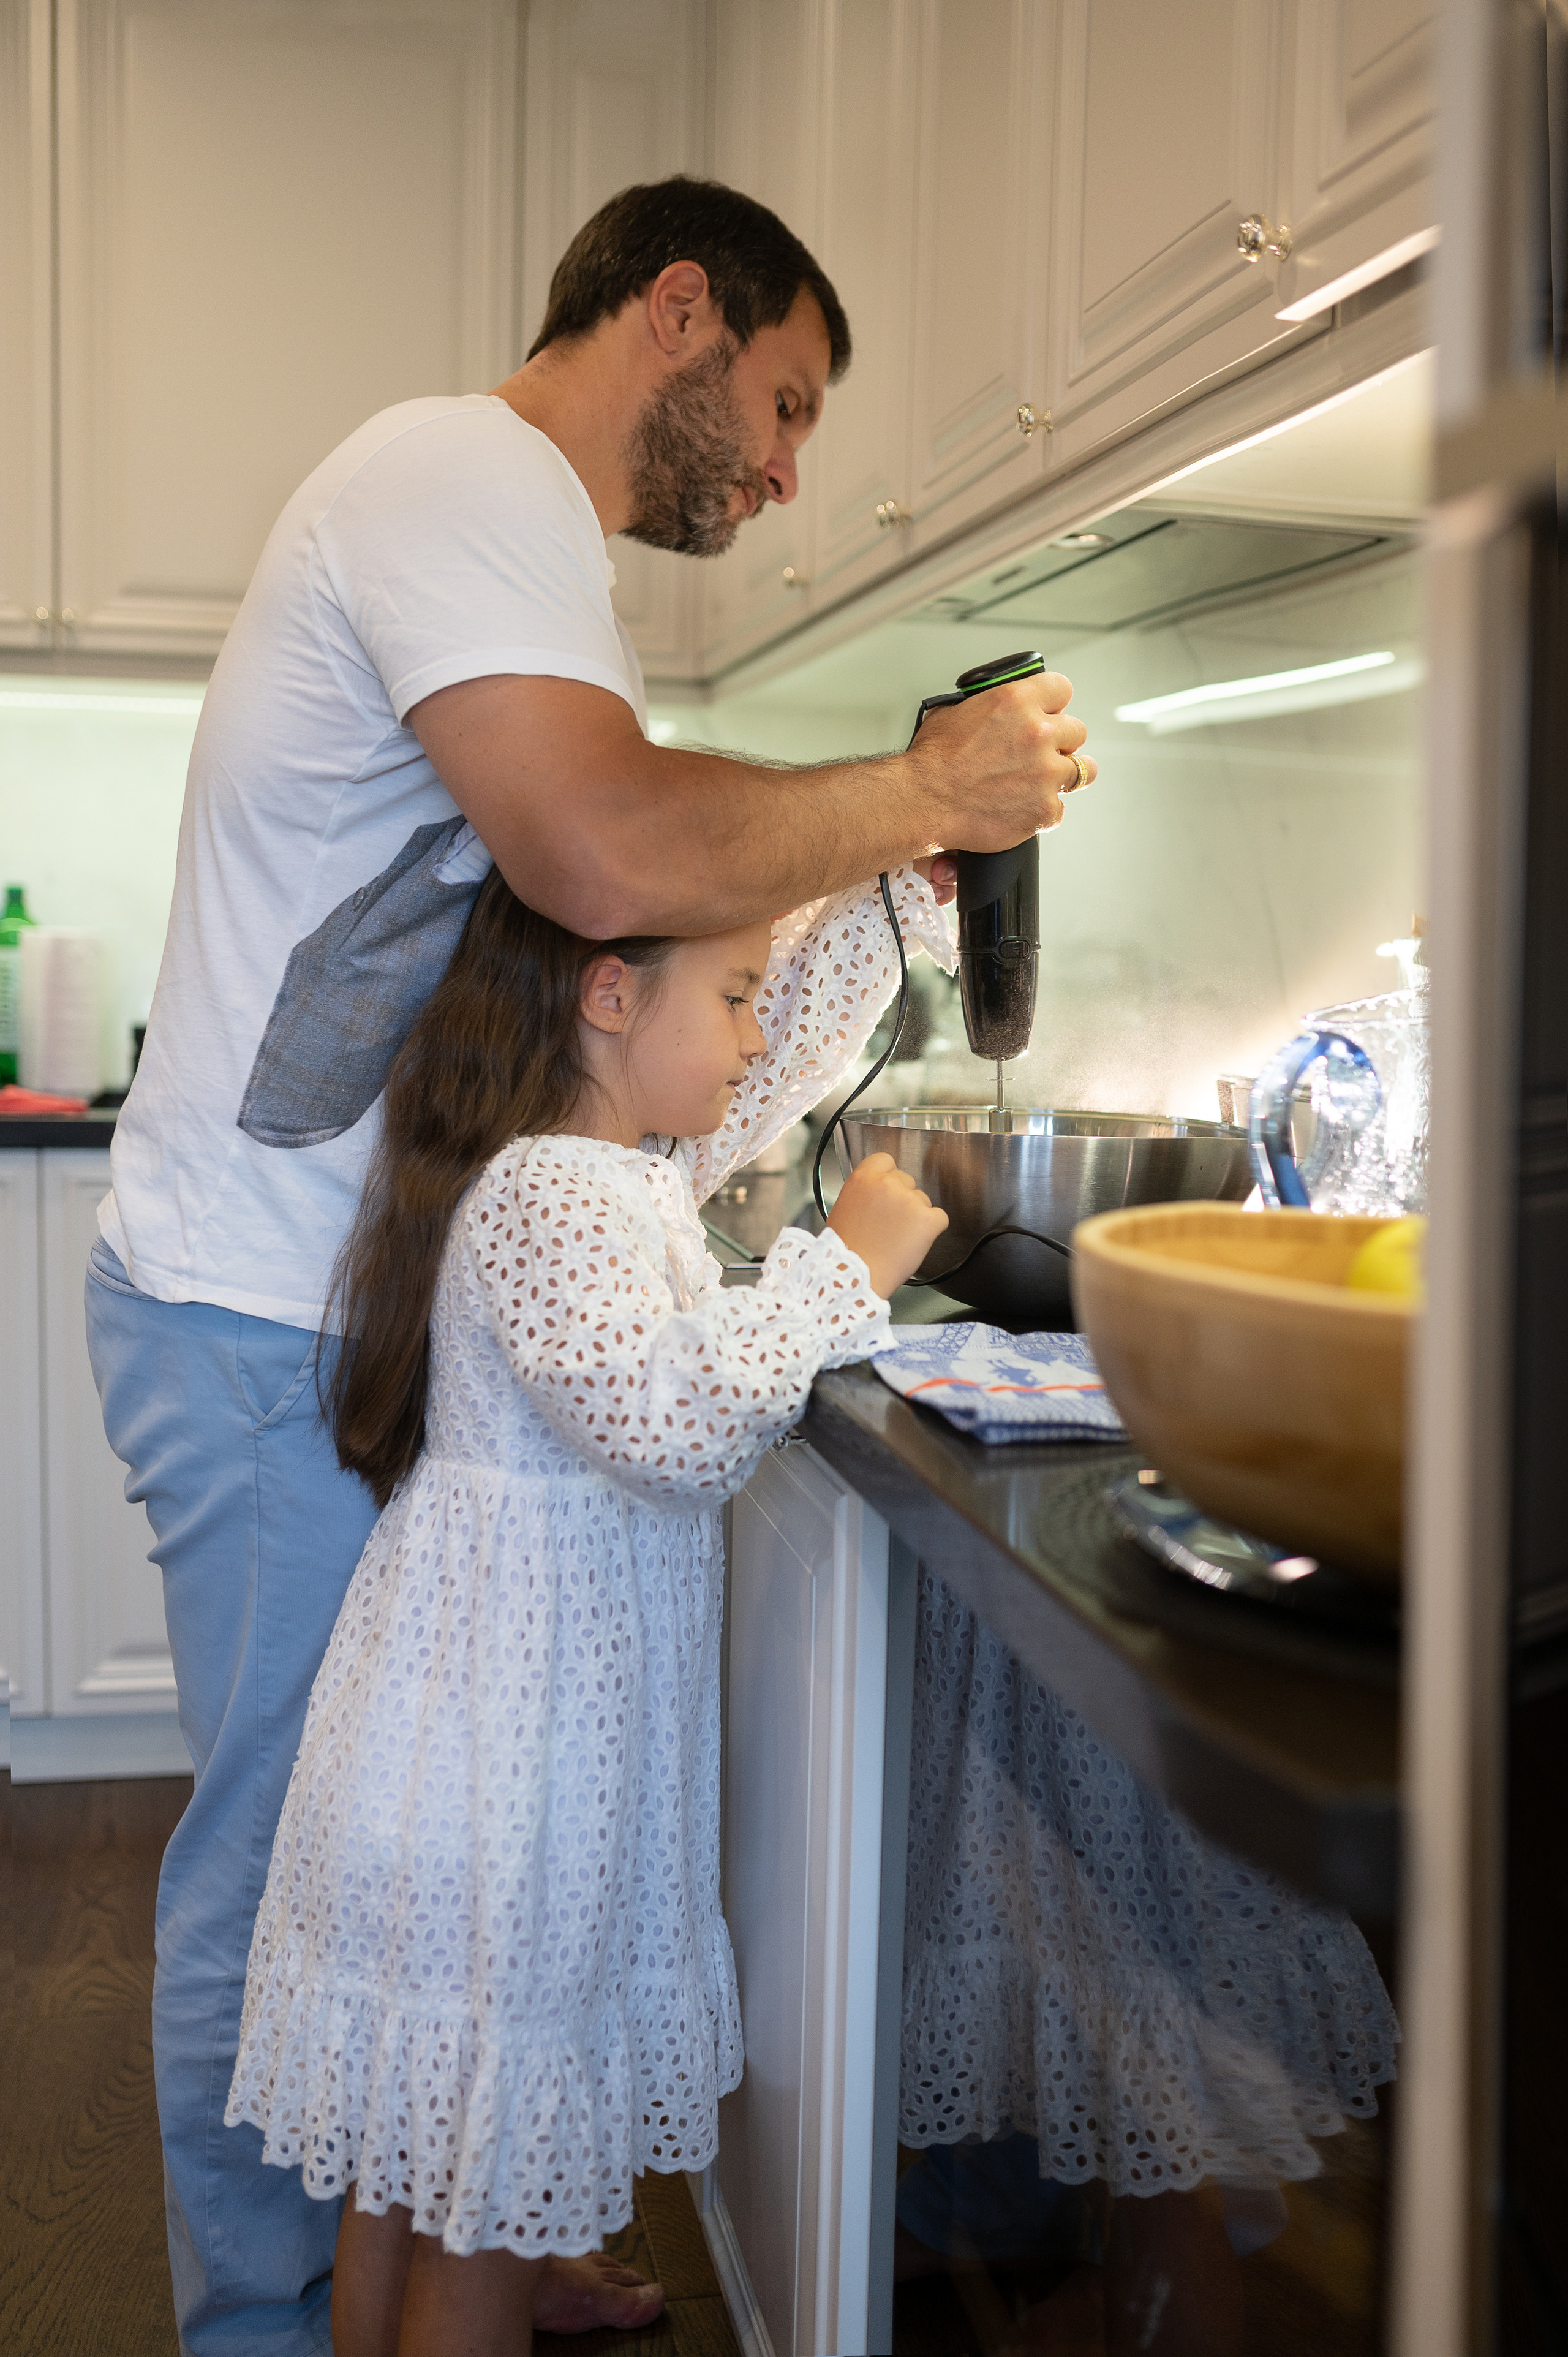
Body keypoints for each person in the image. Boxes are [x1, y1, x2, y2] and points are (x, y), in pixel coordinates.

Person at [85, 172, 1096, 2356]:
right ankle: (266, 2325)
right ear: (677, 311)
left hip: (330, 1298)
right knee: (296, 1883)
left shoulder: (528, 557)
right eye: (790, 399)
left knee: (397, 1884)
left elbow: (641, 921)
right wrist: (916, 779)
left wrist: (875, 878)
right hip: (261, 1305)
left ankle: (470, 2233)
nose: (793, 466)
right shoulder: (461, 473)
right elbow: (611, 846)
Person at [225, 859, 954, 2357]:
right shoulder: (556, 1193)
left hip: (466, 1772)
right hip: (509, 1802)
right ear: (605, 996)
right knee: (478, 2224)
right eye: (735, 998)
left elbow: (774, 1056)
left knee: (412, 2179)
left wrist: (894, 904)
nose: (758, 1039)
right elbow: (672, 1423)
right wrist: (842, 1271)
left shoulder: (598, 1159)